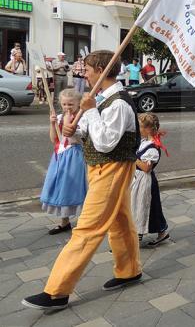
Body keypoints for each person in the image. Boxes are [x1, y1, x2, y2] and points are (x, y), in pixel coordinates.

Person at [23, 50, 142, 311]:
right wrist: (72, 129)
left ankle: (57, 291)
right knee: (120, 220)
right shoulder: (100, 99)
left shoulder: (119, 103)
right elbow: (87, 134)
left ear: (100, 69)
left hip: (111, 168)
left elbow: (106, 142)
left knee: (87, 228)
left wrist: (90, 112)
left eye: (87, 69)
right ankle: (129, 270)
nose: (84, 74)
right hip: (100, 167)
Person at [40, 89, 87, 235]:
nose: (67, 107)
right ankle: (64, 222)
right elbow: (54, 139)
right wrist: (52, 124)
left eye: (70, 104)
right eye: (64, 104)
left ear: (78, 104)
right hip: (60, 156)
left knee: (75, 187)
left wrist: (68, 121)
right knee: (61, 187)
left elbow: (76, 138)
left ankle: (85, 223)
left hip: (74, 155)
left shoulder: (81, 118)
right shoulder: (59, 117)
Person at [129, 113, 170, 246]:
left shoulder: (152, 148)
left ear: (148, 129)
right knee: (151, 207)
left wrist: (132, 157)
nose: (138, 129)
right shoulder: (144, 142)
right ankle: (161, 231)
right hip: (138, 179)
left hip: (144, 181)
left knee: (140, 206)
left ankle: (136, 237)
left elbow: (146, 168)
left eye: (140, 127)